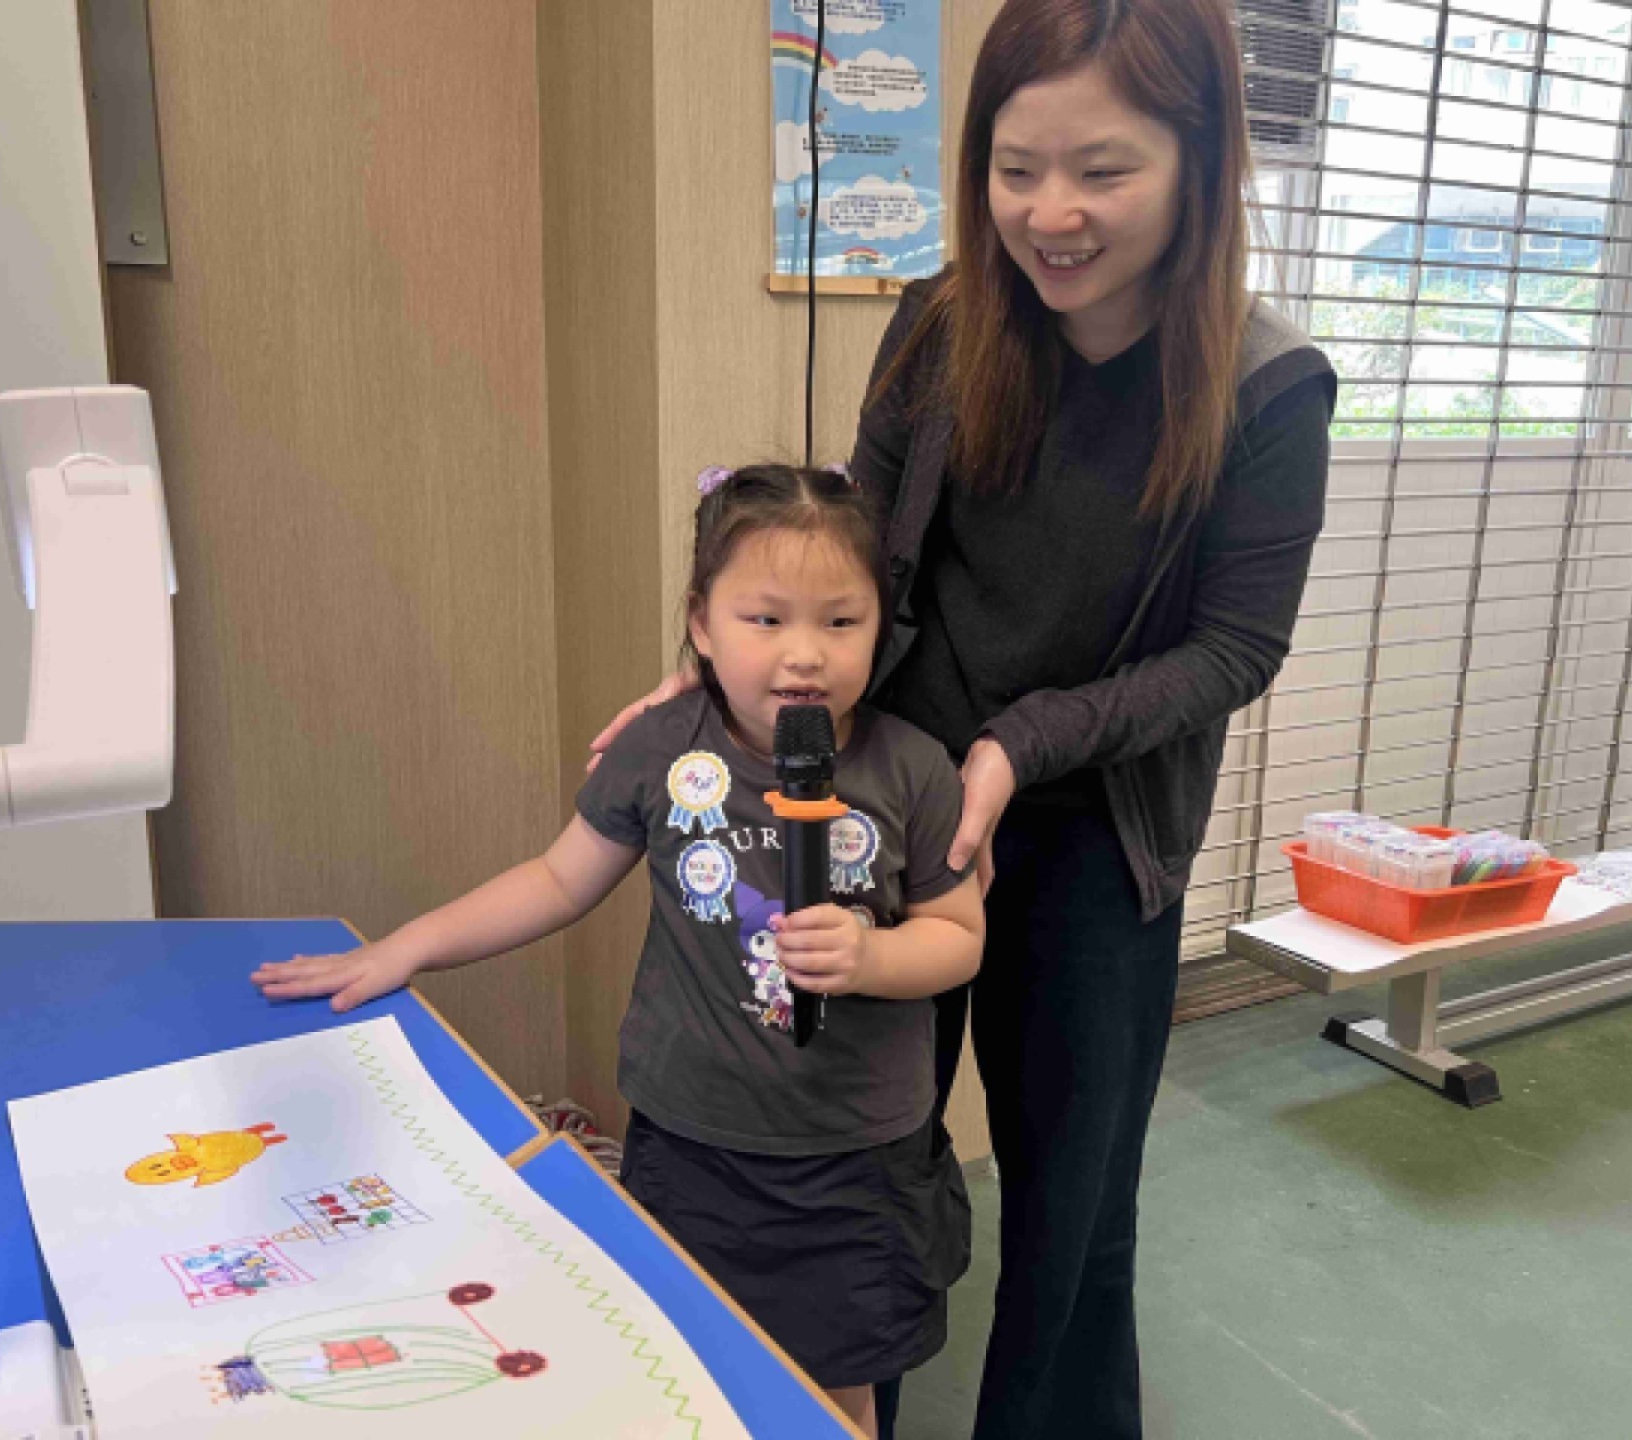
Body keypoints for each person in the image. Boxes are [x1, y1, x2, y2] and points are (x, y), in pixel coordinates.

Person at [592, 0, 1335, 1433]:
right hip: (891, 800)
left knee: (1075, 1203)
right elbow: (850, 555)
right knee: (854, 1145)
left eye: (1103, 171)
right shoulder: (943, 321)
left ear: (1200, 161)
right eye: (1014, 167)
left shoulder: (1266, 387)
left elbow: (1235, 649)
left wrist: (1020, 744)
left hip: (1098, 832)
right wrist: (722, 673)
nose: (1051, 214)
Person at [255, 463, 984, 1437]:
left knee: (834, 1397)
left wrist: (872, 958)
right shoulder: (662, 749)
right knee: (691, 1362)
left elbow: (958, 936)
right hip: (691, 1145)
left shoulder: (914, 768)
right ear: (701, 623)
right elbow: (558, 880)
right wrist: (407, 948)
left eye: (841, 621)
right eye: (766, 619)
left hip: (856, 1161)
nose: (804, 654)